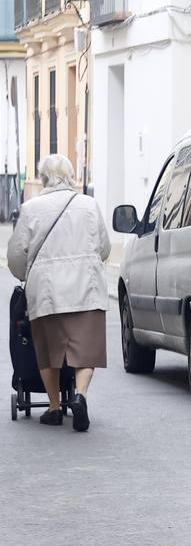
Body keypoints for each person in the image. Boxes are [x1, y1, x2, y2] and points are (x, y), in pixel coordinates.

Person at [7, 154, 111, 431]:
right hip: (86, 289)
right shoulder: (89, 205)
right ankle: (80, 395)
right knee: (86, 352)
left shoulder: (31, 209)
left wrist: (24, 274)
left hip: (47, 293)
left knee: (47, 351)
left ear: (42, 179)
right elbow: (104, 248)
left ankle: (54, 407)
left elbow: (16, 258)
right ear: (71, 176)